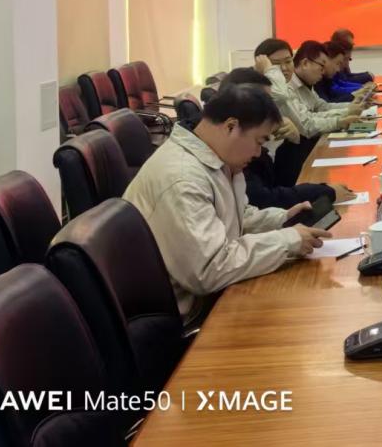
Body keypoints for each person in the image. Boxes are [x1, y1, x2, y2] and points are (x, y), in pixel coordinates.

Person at [123, 83, 331, 323]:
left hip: (215, 294)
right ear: (231, 126)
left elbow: (234, 218)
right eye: (259, 141)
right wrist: (287, 240)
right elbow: (209, 270)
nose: (258, 153)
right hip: (193, 314)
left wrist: (281, 220)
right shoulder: (182, 178)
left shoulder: (217, 158)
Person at [218, 68, 356, 210]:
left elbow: (281, 183)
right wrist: (324, 192)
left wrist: (293, 142)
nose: (272, 109)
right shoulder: (234, 148)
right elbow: (265, 199)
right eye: (265, 103)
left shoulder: (255, 136)